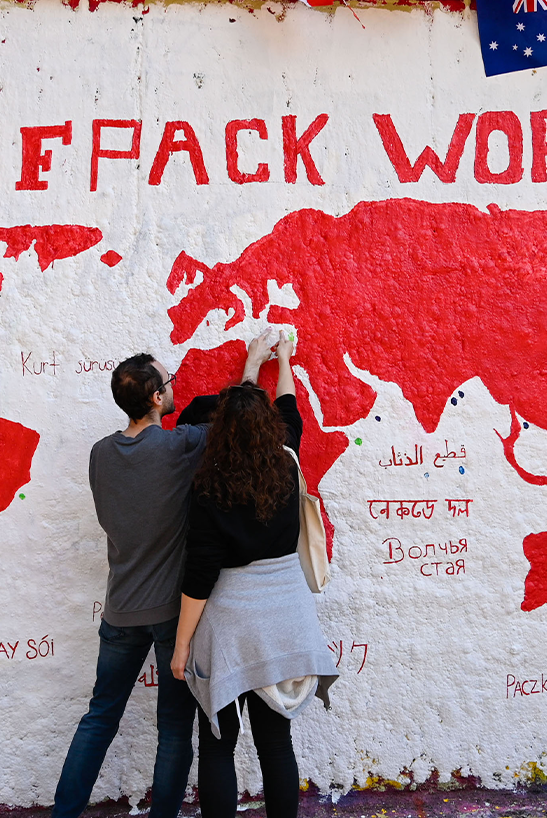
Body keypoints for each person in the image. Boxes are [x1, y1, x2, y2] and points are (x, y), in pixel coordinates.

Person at [170, 329, 338, 818]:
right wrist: (282, 360)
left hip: (229, 623)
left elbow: (199, 577)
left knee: (219, 744)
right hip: (285, 616)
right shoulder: (287, 463)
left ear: (217, 431)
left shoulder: (208, 484)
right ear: (269, 429)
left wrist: (182, 648)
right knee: (275, 741)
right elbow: (289, 411)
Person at [51, 353, 215, 818]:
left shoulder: (100, 452)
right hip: (170, 613)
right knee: (174, 729)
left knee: (99, 718)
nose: (174, 385)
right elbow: (232, 419)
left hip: (119, 611)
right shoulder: (177, 446)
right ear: (158, 397)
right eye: (170, 380)